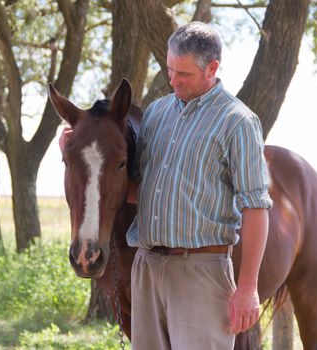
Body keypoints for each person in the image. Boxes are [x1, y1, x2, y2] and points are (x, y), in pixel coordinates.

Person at [60, 21, 272, 349]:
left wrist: (247, 288)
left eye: (183, 74)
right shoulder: (158, 113)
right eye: (170, 70)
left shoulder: (237, 122)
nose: (173, 80)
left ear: (212, 68)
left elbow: (256, 207)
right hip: (147, 267)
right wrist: (76, 160)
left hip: (199, 270)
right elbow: (139, 192)